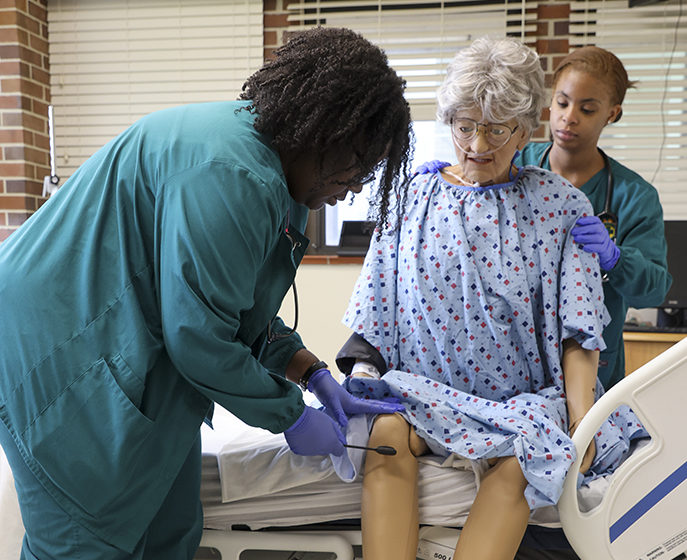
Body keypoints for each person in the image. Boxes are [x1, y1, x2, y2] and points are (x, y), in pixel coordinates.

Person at [0, 27, 409, 560]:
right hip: (59, 345)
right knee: (88, 535)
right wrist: (291, 415)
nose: (355, 186)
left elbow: (234, 310)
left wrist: (313, 374)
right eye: (358, 165)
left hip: (138, 337)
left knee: (171, 529)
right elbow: (199, 339)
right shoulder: (232, 172)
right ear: (323, 131)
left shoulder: (277, 176)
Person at [335, 36, 646, 560]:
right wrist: (362, 377)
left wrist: (582, 419)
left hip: (522, 403)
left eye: (496, 128)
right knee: (386, 430)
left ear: (525, 128)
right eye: (463, 125)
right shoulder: (412, 197)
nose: (478, 142)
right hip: (426, 394)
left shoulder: (561, 205)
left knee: (530, 452)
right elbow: (375, 307)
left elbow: (580, 328)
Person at [422, 46, 672, 389]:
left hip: (592, 369)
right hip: (510, 368)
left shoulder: (634, 197)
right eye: (562, 102)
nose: (569, 117)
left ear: (612, 113)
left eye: (587, 109)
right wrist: (446, 184)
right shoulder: (508, 164)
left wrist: (614, 258)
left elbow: (655, 290)